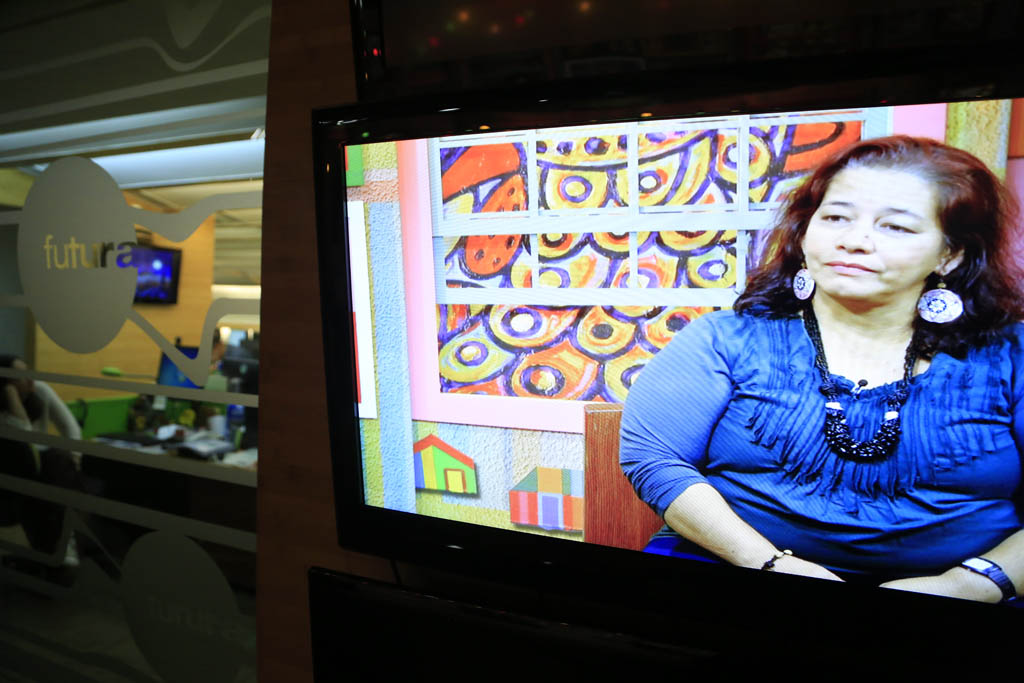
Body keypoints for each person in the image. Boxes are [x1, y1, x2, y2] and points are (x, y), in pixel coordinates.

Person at [620, 135, 1024, 603]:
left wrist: (968, 586)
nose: (853, 241)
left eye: (896, 227)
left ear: (949, 255)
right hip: (735, 571)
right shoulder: (724, 338)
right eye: (835, 218)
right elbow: (655, 460)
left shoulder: (1009, 353)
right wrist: (770, 564)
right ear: (805, 231)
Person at [0, 355, 82, 562]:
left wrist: (75, 458)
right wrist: (12, 399)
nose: (31, 381)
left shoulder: (41, 390)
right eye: (21, 377)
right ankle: (58, 549)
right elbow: (25, 449)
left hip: (43, 469)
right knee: (54, 464)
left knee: (58, 463)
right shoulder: (6, 407)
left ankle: (60, 547)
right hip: (13, 472)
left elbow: (70, 428)